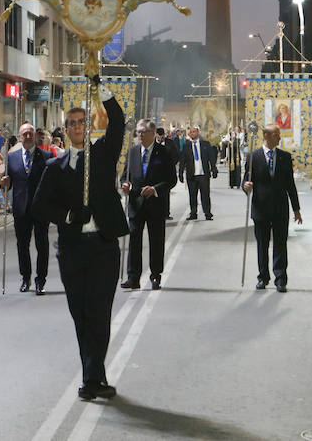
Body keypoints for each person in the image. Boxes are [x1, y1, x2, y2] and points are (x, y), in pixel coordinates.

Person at [32, 84, 130, 402]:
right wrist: (71, 215)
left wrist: (99, 89)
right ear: (65, 131)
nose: (76, 127)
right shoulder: (54, 168)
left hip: (103, 246)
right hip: (73, 250)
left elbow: (118, 122)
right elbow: (39, 207)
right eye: (71, 123)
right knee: (81, 314)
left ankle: (91, 379)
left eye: (81, 122)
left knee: (99, 312)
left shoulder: (103, 154)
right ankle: (94, 375)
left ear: (89, 126)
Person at [242, 123, 302, 292]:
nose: (280, 138)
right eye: (276, 135)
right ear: (266, 136)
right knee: (262, 245)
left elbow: (291, 185)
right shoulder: (253, 157)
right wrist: (245, 186)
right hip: (260, 209)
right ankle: (263, 277)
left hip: (280, 208)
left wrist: (296, 209)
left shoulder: (284, 157)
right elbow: (245, 180)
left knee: (280, 245)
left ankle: (280, 278)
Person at [120, 119, 174, 290]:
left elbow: (171, 179)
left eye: (143, 132)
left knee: (156, 241)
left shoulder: (164, 152)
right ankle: (133, 277)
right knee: (134, 241)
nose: (140, 135)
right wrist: (125, 185)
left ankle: (155, 276)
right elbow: (125, 176)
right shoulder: (133, 152)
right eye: (138, 132)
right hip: (136, 204)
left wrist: (155, 189)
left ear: (152, 133)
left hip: (156, 204)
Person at [2, 123, 50, 294]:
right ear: (20, 137)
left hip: (41, 208)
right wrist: (5, 183)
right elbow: (7, 184)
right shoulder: (12, 157)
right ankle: (26, 278)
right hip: (20, 208)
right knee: (22, 245)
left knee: (42, 245)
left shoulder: (46, 156)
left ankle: (41, 280)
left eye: (30, 133)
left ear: (35, 136)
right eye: (25, 134)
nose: (28, 136)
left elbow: (51, 184)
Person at [178, 126, 218, 221]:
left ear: (198, 132)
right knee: (192, 195)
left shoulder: (205, 144)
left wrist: (214, 169)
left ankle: (207, 213)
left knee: (205, 195)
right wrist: (180, 173)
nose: (192, 133)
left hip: (203, 174)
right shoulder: (186, 146)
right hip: (191, 175)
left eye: (194, 132)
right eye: (191, 132)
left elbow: (211, 157)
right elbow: (182, 160)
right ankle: (193, 213)